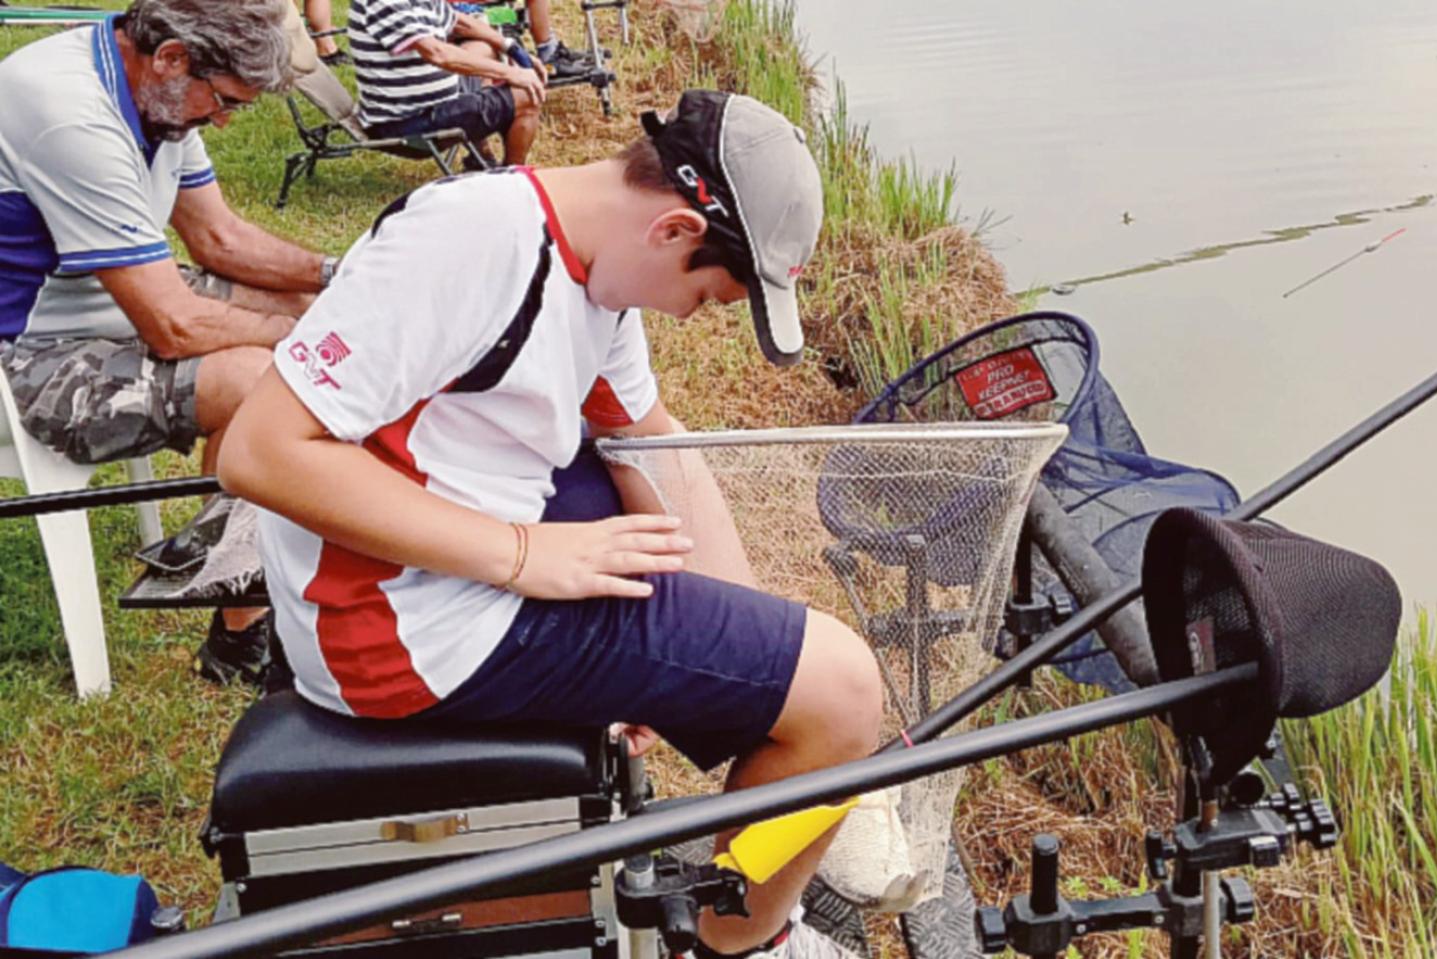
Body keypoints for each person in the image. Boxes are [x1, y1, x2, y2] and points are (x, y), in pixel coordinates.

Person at [218, 90, 882, 959]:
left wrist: (733, 655)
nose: (694, 315)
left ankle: (738, 891)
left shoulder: (589, 265)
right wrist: (523, 555)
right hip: (395, 629)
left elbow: (654, 447)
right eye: (712, 297)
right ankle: (740, 940)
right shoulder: (466, 245)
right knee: (846, 692)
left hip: (454, 562)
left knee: (795, 678)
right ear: (675, 231)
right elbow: (258, 452)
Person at [0, 0, 338, 683]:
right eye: (225, 103)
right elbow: (173, 323)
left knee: (315, 310)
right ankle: (241, 638)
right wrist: (314, 338)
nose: (222, 119)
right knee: (272, 377)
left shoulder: (159, 88)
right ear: (172, 56)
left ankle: (268, 566)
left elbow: (219, 239)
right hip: (22, 357)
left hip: (94, 304)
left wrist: (342, 277)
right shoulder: (69, 112)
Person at [349, 0, 547, 166]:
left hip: (425, 102)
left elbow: (456, 21)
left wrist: (511, 47)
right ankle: (511, 180)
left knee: (483, 48)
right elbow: (438, 54)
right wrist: (510, 73)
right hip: (405, 122)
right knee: (527, 96)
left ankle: (481, 159)